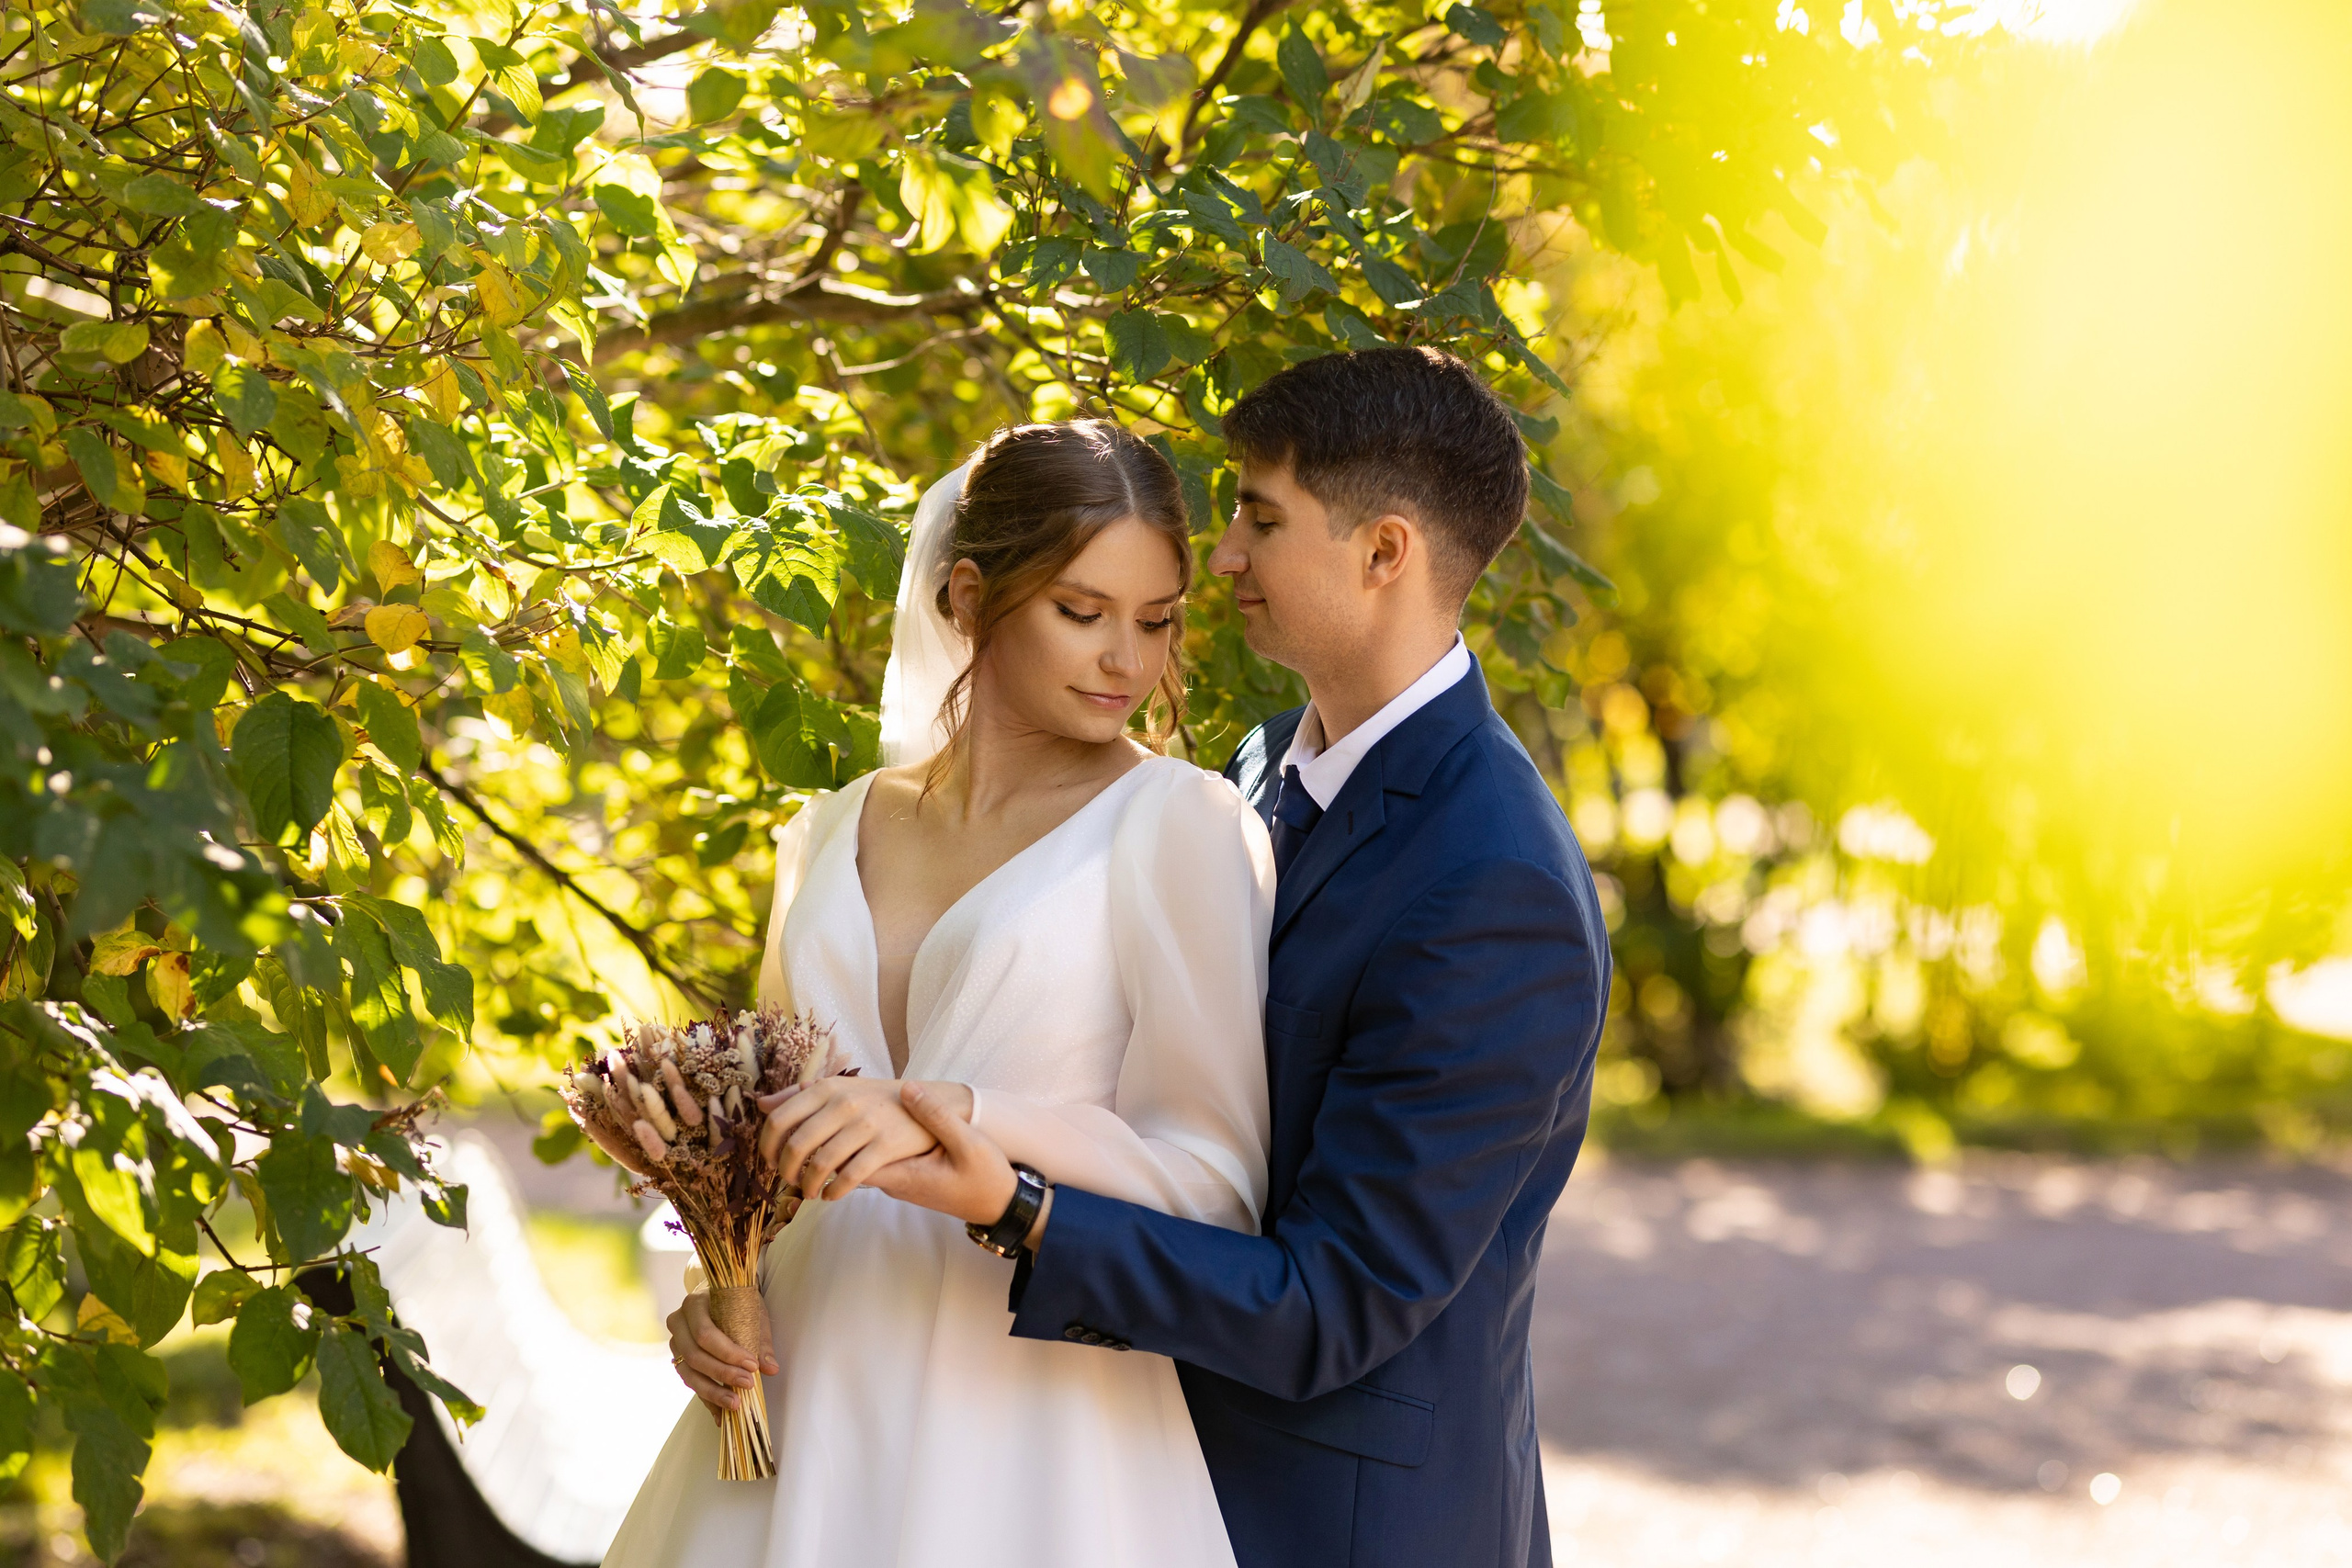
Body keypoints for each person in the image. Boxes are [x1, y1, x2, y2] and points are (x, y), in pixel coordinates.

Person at [854, 347, 1611, 1567]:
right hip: (1119, 1474)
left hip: (1336, 1525)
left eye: (1261, 518)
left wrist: (1019, 1205)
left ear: (1384, 552)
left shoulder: (1494, 882)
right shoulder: (1254, 769)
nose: (1223, 557)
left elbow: (1332, 1303)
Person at [602, 420, 1272, 1568]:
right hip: (793, 1404)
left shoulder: (1183, 827)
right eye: (1081, 611)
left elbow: (1216, 1186)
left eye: (1156, 620)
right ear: (969, 595)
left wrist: (963, 1115)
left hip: (1034, 1436)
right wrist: (710, 1289)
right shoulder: (826, 833)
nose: (1126, 659)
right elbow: (755, 1147)